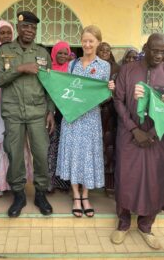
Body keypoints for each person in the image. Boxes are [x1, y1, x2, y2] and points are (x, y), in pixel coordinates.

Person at [0, 11, 55, 217]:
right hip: (13, 112)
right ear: (18, 28)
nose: (29, 31)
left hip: (37, 112)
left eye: (33, 28)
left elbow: (50, 86)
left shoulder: (43, 53)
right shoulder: (4, 51)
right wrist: (20, 68)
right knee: (15, 154)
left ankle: (40, 193)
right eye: (25, 27)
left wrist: (50, 112)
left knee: (40, 154)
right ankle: (18, 194)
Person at [110, 33, 164, 249]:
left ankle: (146, 225)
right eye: (155, 50)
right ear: (146, 48)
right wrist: (134, 129)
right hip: (128, 134)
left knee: (153, 179)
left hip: (157, 137)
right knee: (126, 176)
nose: (159, 55)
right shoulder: (128, 70)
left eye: (163, 51)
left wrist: (151, 133)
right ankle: (123, 224)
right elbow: (118, 101)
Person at [56, 26, 115, 218]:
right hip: (72, 118)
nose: (87, 44)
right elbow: (65, 89)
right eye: (84, 41)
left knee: (88, 156)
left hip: (90, 119)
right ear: (81, 42)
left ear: (98, 42)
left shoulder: (104, 66)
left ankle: (86, 195)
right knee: (74, 154)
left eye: (91, 41)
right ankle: (75, 196)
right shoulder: (72, 64)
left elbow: (104, 97)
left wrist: (109, 90)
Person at [0, 20, 33, 196]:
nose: (6, 36)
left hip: (15, 103)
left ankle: (15, 183)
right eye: (2, 33)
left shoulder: (17, 51)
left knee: (16, 141)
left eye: (8, 32)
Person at [47, 41, 71, 192]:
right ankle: (49, 182)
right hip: (50, 112)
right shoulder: (48, 70)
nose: (62, 56)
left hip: (67, 113)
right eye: (59, 53)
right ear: (53, 53)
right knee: (51, 146)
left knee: (64, 146)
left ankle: (63, 183)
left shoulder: (72, 69)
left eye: (65, 53)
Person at [97, 42, 119, 195]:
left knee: (110, 146)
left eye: (107, 50)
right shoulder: (94, 66)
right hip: (96, 110)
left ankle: (109, 184)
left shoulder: (118, 68)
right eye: (101, 50)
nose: (105, 52)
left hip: (112, 111)